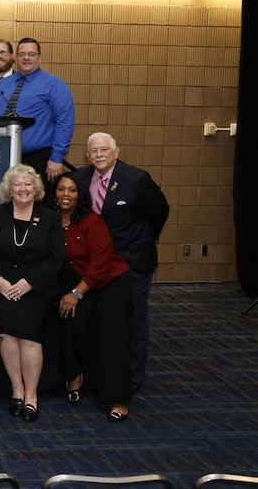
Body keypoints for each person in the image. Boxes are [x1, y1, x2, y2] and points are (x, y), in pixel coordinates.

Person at [74, 132, 169, 393]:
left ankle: (133, 375)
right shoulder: (81, 178)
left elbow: (160, 211)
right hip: (95, 263)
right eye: (93, 151)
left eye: (104, 149)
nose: (99, 154)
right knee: (101, 318)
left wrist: (146, 239)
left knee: (134, 318)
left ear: (116, 152)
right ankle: (96, 372)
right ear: (87, 154)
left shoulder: (137, 179)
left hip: (132, 260)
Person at [53, 172, 133, 422]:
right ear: (54, 193)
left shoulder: (91, 221)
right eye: (62, 189)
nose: (66, 194)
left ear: (81, 195)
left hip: (110, 281)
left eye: (72, 190)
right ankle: (74, 374)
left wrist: (76, 293)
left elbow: (100, 264)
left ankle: (117, 396)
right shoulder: (48, 220)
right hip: (80, 282)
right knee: (69, 319)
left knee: (110, 327)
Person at [0, 163, 64, 422]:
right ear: (10, 189)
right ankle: (16, 390)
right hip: (4, 286)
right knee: (7, 335)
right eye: (18, 184)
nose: (23, 189)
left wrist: (29, 282)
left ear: (36, 189)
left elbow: (57, 259)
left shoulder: (50, 217)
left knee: (30, 337)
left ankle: (31, 395)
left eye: (28, 184)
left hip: (37, 287)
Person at [0, 38, 74, 197]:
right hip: (1, 157)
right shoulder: (2, 85)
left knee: (37, 204)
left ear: (39, 58)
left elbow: (64, 122)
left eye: (31, 54)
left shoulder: (54, 85)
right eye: (22, 54)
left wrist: (57, 157)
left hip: (38, 159)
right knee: (2, 201)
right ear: (16, 58)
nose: (26, 58)